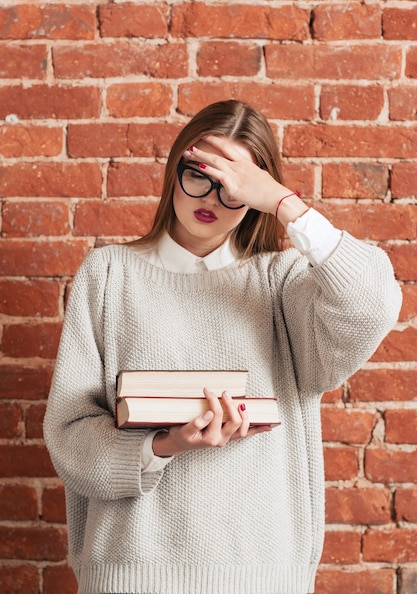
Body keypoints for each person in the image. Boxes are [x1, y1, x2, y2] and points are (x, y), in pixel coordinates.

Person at [44, 99, 402, 594]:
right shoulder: (107, 276)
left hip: (260, 575)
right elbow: (70, 437)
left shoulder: (284, 284)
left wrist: (284, 202)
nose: (211, 195)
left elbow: (375, 302)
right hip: (130, 573)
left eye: (233, 186)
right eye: (200, 173)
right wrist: (164, 445)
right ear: (175, 170)